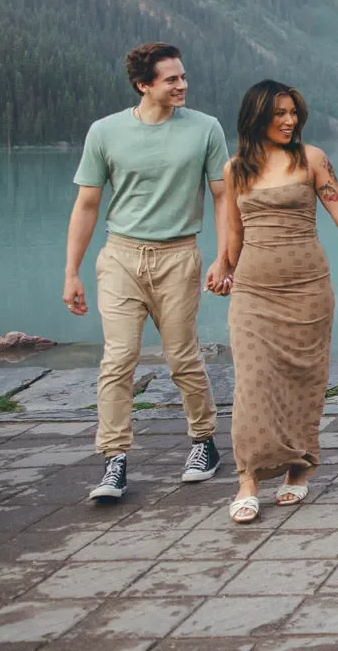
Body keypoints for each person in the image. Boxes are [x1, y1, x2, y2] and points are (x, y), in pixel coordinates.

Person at [216, 81, 338, 524]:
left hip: (309, 287)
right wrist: (223, 266)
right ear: (257, 116)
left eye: (294, 112)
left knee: (304, 381)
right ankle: (248, 480)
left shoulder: (311, 160)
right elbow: (234, 230)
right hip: (254, 292)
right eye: (279, 113)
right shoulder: (235, 168)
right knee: (251, 384)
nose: (290, 120)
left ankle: (299, 464)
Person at [64, 42, 229, 503]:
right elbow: (87, 205)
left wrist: (224, 257)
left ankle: (203, 442)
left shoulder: (205, 129)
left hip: (179, 256)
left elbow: (223, 196)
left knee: (182, 357)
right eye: (171, 79)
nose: (182, 85)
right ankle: (114, 459)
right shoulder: (105, 132)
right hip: (120, 258)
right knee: (118, 360)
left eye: (183, 77)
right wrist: (71, 272)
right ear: (144, 85)